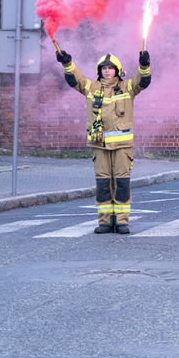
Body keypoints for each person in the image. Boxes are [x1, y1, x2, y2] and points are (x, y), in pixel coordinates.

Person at [55, 49, 152, 234]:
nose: (107, 71)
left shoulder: (127, 87)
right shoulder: (91, 87)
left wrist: (144, 65)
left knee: (122, 184)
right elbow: (75, 79)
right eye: (104, 68)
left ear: (118, 70)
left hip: (122, 148)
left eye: (111, 68)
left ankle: (122, 222)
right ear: (99, 71)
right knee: (103, 184)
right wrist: (67, 63)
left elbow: (143, 80)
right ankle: (105, 222)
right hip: (99, 146)